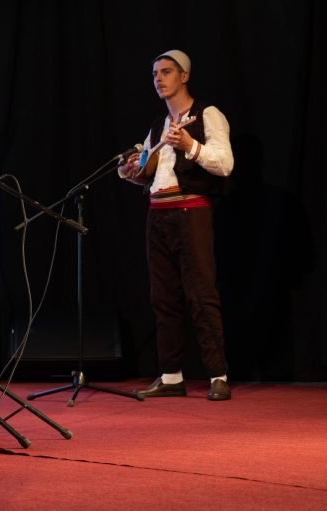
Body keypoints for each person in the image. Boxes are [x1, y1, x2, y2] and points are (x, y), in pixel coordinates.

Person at [118, 49, 234, 401]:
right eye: (155, 73)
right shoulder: (158, 125)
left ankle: (218, 375)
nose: (159, 78)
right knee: (163, 297)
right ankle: (171, 376)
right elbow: (149, 172)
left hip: (190, 211)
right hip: (158, 214)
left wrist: (190, 145)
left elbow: (225, 164)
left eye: (166, 71)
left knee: (201, 294)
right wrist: (131, 172)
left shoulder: (208, 114)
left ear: (184, 76)